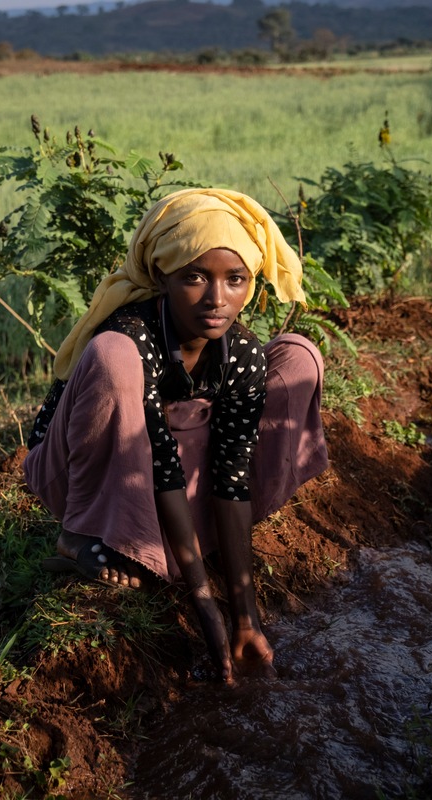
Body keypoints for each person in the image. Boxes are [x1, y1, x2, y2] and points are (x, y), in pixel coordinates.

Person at [23, 187, 328, 684]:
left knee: (297, 355)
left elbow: (231, 476)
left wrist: (244, 617)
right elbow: (161, 461)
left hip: (168, 480)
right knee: (110, 358)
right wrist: (205, 605)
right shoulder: (133, 333)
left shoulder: (241, 353)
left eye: (235, 280)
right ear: (163, 276)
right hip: (79, 471)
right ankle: (80, 534)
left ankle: (160, 550)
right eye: (194, 278)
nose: (216, 299)